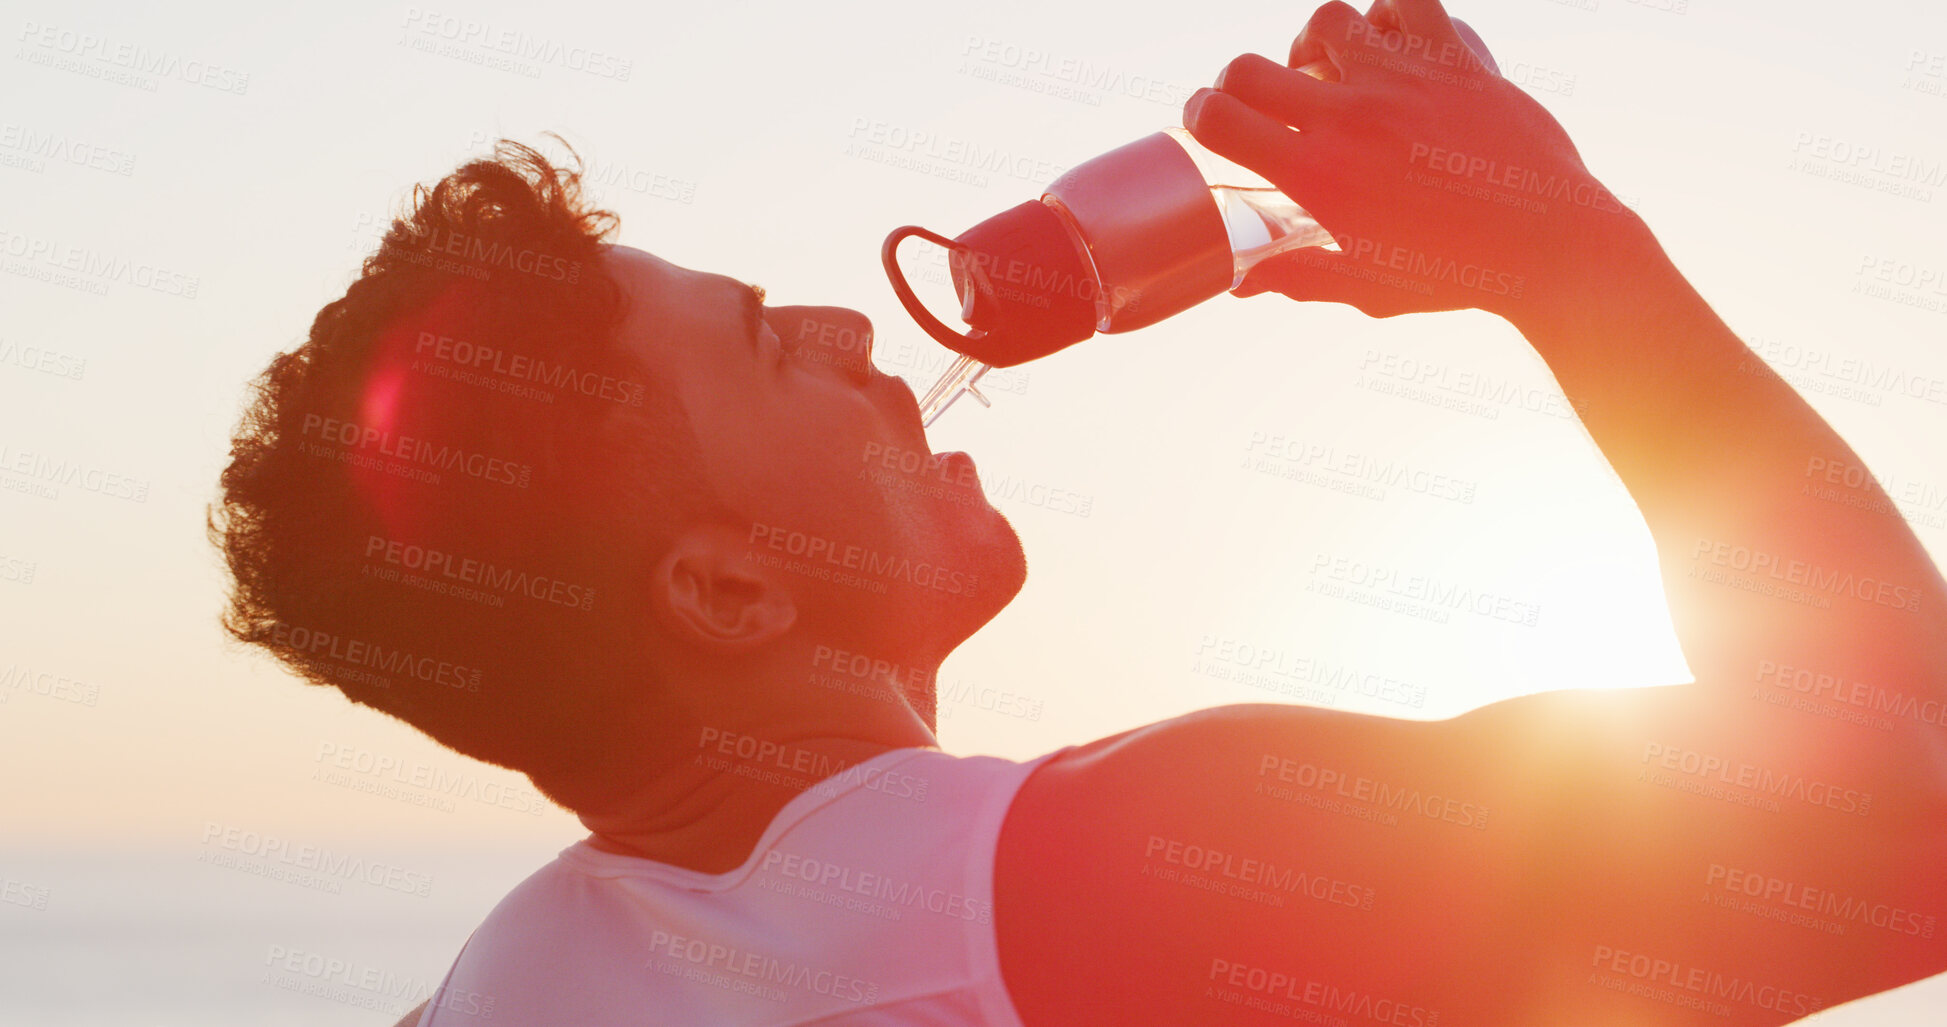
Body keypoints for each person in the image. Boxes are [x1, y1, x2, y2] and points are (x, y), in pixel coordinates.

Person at [210, 0, 1946, 1023]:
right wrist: (1567, 255)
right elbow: (1915, 810)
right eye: (761, 340)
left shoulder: (488, 1000)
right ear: (728, 591)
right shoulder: (1129, 873)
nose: (843, 325)